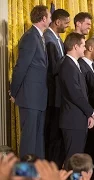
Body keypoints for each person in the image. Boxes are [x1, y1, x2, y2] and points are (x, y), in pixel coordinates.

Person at [10, 5, 51, 158]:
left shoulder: (39, 37)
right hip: (29, 98)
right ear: (44, 18)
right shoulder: (30, 37)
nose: (51, 19)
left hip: (39, 98)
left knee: (38, 140)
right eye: (49, 16)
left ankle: (37, 173)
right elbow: (21, 67)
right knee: (29, 141)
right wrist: (14, 91)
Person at [59, 33, 94, 160]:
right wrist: (90, 111)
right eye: (83, 45)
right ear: (75, 46)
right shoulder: (68, 65)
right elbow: (75, 94)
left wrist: (88, 115)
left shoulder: (74, 64)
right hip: (72, 121)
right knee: (73, 160)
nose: (85, 48)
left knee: (77, 159)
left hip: (78, 120)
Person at [43, 8, 70, 167]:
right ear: (57, 21)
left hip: (58, 96)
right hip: (51, 96)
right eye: (66, 23)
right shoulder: (48, 39)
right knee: (51, 136)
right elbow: (53, 68)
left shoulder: (58, 39)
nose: (67, 26)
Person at [78, 38, 94, 180]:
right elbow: (86, 94)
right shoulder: (81, 66)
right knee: (87, 155)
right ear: (90, 48)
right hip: (89, 118)